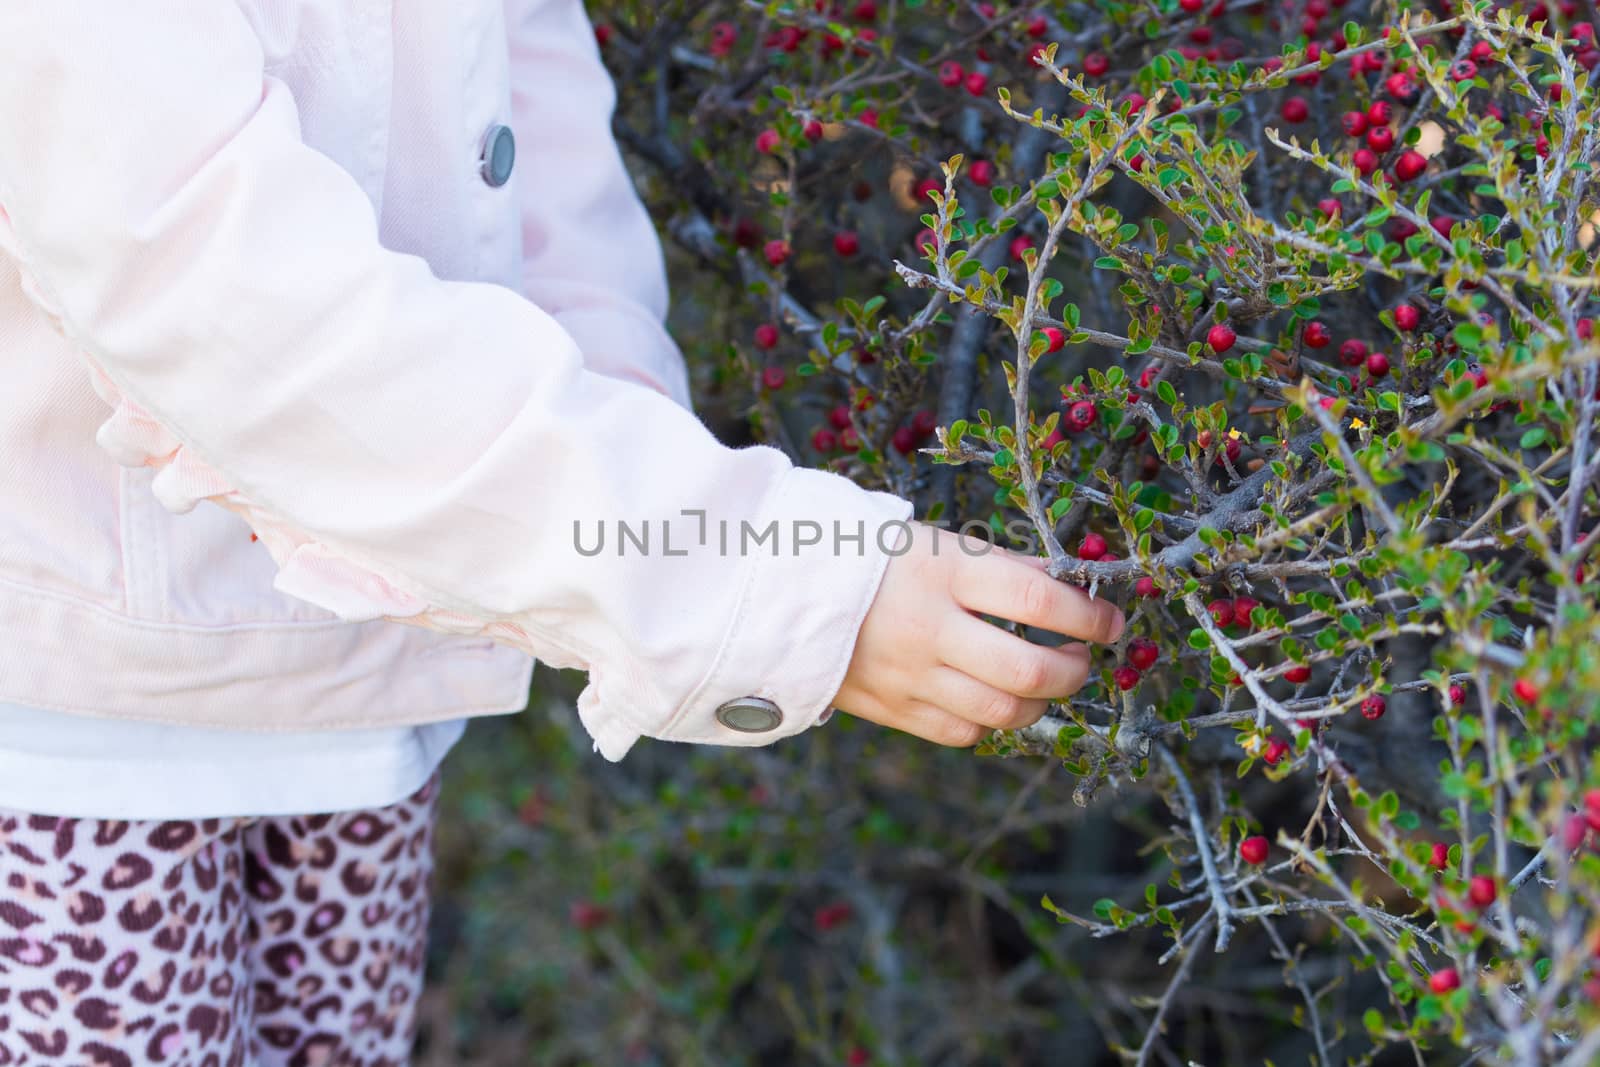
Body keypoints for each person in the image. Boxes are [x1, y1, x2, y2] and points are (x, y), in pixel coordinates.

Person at [0, 2, 1123, 1062]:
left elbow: (517, 108)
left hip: (354, 693)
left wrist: (639, 509)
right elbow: (211, 293)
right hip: (66, 747)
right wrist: (741, 581)